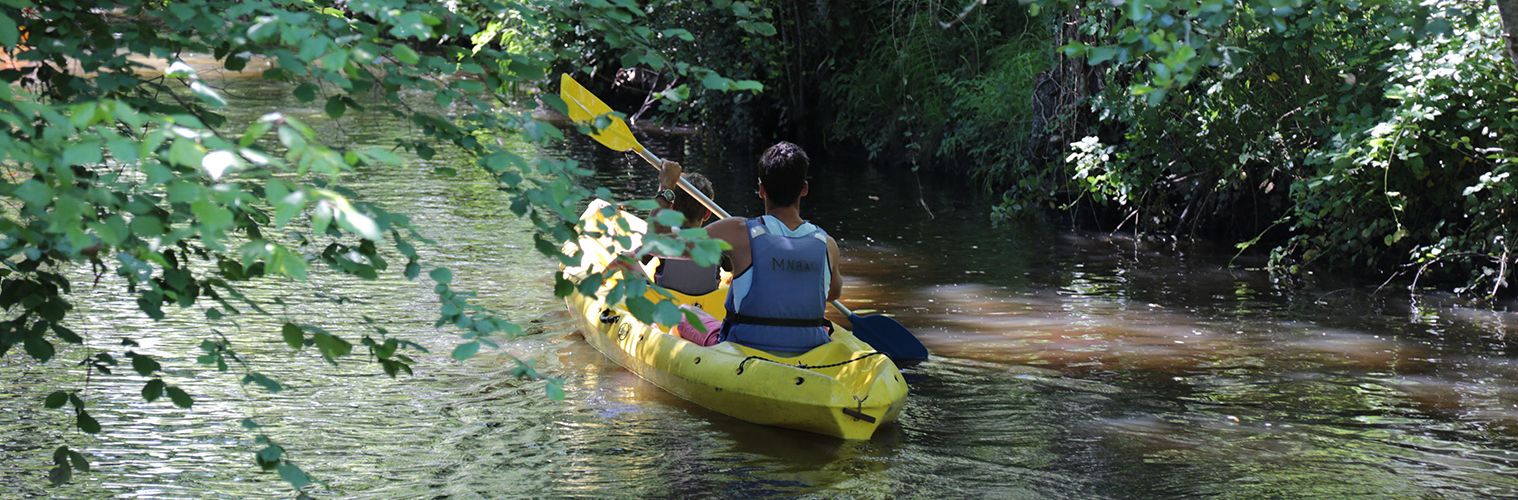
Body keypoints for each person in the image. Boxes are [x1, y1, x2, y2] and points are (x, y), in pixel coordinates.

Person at [659, 142, 842, 354]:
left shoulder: (737, 232)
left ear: (761, 190)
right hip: (809, 351)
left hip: (743, 348)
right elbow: (832, 293)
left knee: (683, 312)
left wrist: (666, 188)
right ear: (804, 189)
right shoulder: (827, 244)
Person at [648, 170, 721, 296]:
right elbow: (732, 268)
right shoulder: (719, 245)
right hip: (706, 307)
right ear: (707, 214)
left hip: (667, 303)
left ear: (672, 208)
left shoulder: (664, 240)